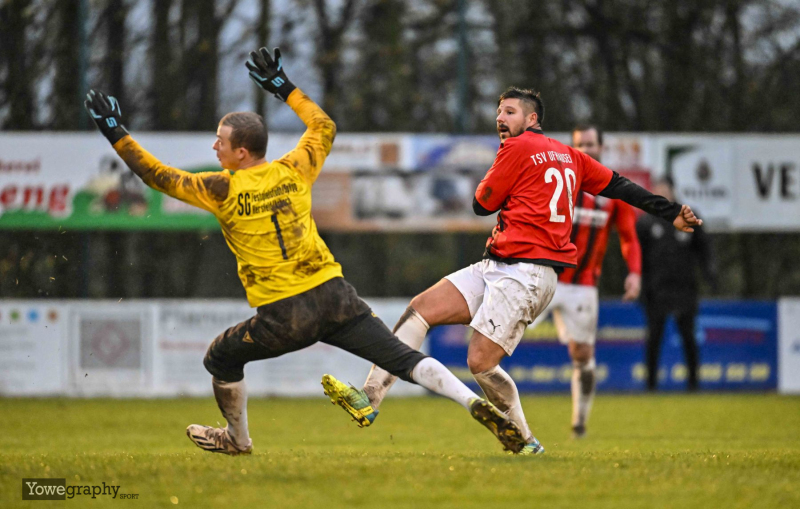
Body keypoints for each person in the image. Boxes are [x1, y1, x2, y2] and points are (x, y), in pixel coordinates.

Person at [84, 47, 529, 455]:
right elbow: (323, 125)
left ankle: (238, 440)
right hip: (335, 296)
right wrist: (282, 85)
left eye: (220, 141)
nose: (214, 147)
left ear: (240, 152)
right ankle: (472, 402)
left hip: (284, 314)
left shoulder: (221, 187)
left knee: (219, 358)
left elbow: (157, 176)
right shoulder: (295, 169)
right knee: (402, 358)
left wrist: (114, 131)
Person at [322, 87, 702, 455]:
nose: (500, 119)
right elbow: (620, 186)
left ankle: (526, 439)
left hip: (528, 273)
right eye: (499, 112)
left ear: (532, 119)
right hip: (500, 265)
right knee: (421, 308)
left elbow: (481, 204)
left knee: (480, 363)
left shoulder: (517, 147)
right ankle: (370, 398)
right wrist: (671, 212)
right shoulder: (571, 156)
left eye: (510, 112)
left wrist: (498, 181)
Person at [530, 124, 641, 439]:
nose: (587, 149)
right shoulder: (560, 179)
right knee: (504, 335)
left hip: (583, 284)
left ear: (601, 148)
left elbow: (629, 238)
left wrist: (634, 272)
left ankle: (579, 422)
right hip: (546, 275)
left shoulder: (614, 191)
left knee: (582, 353)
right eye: (581, 144)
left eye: (591, 144)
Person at [637, 176, 715, 392]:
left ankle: (693, 384)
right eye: (656, 189)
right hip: (656, 290)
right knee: (654, 339)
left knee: (689, 338)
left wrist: (709, 273)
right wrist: (639, 284)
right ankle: (650, 385)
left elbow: (704, 249)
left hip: (684, 289)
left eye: (664, 189)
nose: (660, 193)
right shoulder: (646, 222)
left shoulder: (688, 217)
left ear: (673, 192)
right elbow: (637, 257)